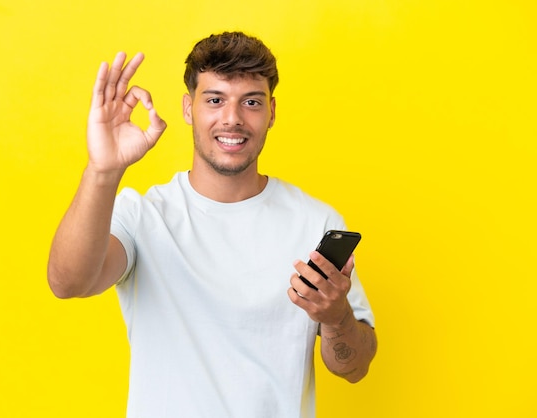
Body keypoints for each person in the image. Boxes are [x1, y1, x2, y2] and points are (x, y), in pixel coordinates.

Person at [48, 31, 377, 418]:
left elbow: (353, 367)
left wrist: (335, 316)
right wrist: (103, 171)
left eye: (250, 102)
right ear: (189, 109)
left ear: (272, 111)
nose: (232, 119)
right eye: (215, 100)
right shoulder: (143, 215)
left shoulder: (315, 222)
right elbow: (68, 283)